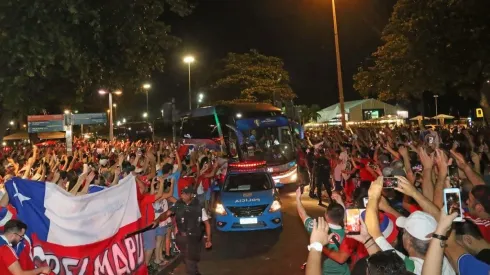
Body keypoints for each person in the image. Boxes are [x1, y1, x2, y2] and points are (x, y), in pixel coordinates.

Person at [366, 176, 456, 275]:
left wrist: (373, 197)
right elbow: (441, 219)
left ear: (409, 242)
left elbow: (374, 231)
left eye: (404, 231)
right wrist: (414, 193)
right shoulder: (442, 249)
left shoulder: (410, 268)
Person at [152, 185, 212, 275]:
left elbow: (207, 224)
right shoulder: (178, 205)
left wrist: (208, 239)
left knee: (191, 259)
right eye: (182, 193)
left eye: (185, 194)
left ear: (192, 195)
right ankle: (194, 271)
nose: (183, 195)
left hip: (194, 238)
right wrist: (157, 220)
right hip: (182, 238)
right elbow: (166, 213)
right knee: (189, 259)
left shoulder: (198, 207)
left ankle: (194, 271)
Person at [296, 187, 349, 274]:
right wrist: (340, 202)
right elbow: (346, 219)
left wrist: (298, 199)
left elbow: (302, 214)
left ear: (326, 215)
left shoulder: (316, 230)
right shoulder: (348, 233)